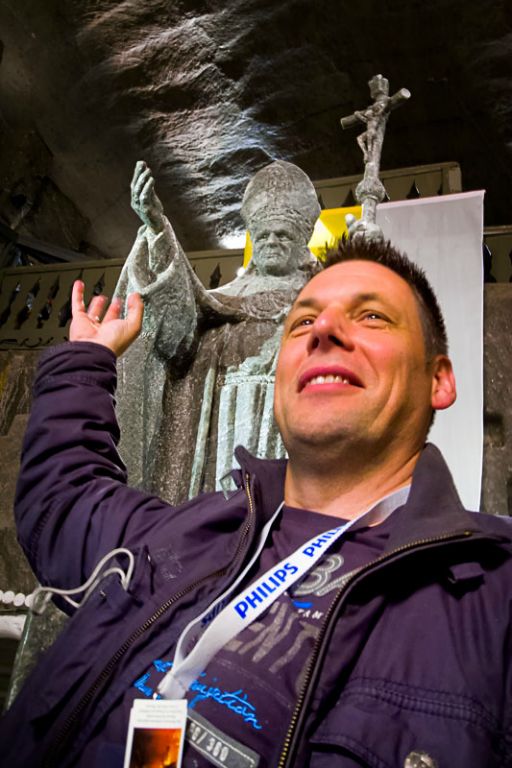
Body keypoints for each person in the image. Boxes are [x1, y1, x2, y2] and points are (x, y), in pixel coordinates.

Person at [2, 237, 512, 768]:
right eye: (302, 323)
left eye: (372, 317)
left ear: (439, 380)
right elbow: (64, 505)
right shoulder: (193, 533)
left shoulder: (493, 598)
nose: (325, 331)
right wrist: (87, 361)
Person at [114, 160, 320, 504]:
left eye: (282, 235)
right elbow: (176, 329)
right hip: (226, 426)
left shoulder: (325, 296)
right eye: (263, 235)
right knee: (226, 513)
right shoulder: (223, 302)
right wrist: (157, 228)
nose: (271, 242)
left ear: (302, 241)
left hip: (292, 422)